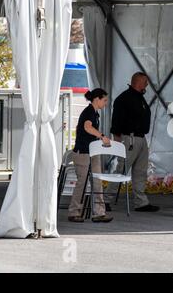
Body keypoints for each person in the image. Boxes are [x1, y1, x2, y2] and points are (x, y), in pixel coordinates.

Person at [104, 72, 160, 212]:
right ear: (138, 82)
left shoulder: (140, 98)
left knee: (140, 171)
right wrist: (117, 140)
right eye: (145, 82)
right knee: (121, 169)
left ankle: (141, 202)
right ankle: (105, 200)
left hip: (140, 138)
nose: (147, 85)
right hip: (128, 138)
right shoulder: (124, 99)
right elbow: (116, 121)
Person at [68, 88, 113, 223]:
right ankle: (74, 211)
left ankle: (99, 212)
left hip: (92, 152)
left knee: (97, 181)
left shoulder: (95, 113)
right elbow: (88, 127)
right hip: (83, 152)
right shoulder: (88, 112)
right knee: (82, 182)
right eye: (104, 100)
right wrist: (102, 136)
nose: (105, 103)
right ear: (97, 99)